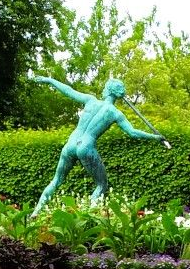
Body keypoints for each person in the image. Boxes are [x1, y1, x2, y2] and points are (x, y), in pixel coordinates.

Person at [30, 75, 166, 213]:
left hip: (71, 144)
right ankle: (89, 216)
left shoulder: (90, 100)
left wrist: (50, 80)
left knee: (56, 180)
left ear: (107, 90)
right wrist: (155, 137)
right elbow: (133, 133)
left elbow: (68, 91)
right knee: (102, 185)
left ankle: (36, 212)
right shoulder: (115, 113)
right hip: (86, 147)